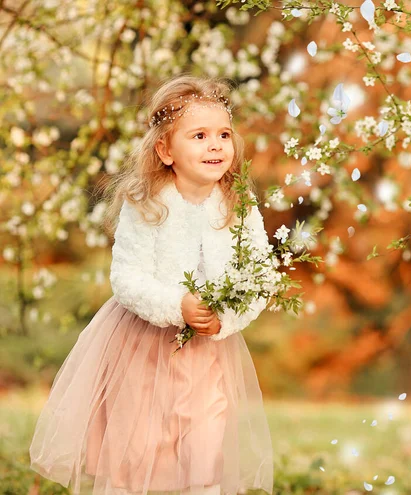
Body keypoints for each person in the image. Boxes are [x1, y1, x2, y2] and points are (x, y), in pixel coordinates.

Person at [29, 74, 274, 495]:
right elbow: (126, 278)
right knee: (138, 448)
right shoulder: (147, 204)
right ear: (165, 149)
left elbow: (260, 276)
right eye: (199, 135)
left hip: (206, 353)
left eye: (223, 135)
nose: (215, 145)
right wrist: (177, 304)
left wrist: (226, 318)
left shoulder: (240, 207)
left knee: (205, 446)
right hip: (141, 348)